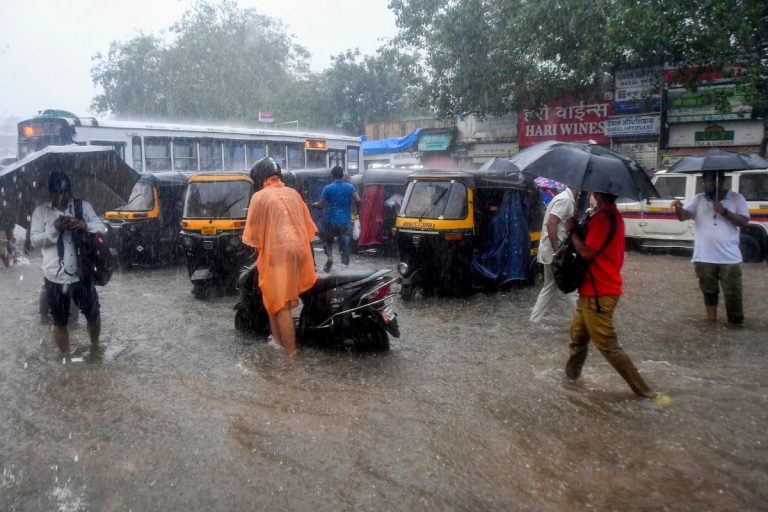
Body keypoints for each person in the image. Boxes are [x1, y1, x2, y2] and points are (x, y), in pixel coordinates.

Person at [563, 192, 656, 398]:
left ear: (597, 194)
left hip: (599, 292)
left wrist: (572, 232)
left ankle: (646, 392)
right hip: (591, 290)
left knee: (607, 345)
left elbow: (587, 252)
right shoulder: (610, 215)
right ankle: (571, 381)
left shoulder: (603, 219)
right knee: (577, 338)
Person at [242, 158, 318, 358]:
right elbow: (308, 224)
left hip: (278, 252)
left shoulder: (260, 196)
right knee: (272, 297)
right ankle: (276, 342)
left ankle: (292, 355)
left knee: (281, 303)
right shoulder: (293, 193)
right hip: (299, 250)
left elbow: (254, 231)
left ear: (260, 178)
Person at [30, 170, 107, 356]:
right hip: (55, 276)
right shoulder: (41, 212)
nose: (61, 197)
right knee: (59, 321)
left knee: (93, 314)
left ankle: (95, 347)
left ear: (69, 190)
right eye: (56, 192)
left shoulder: (83, 207)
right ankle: (66, 358)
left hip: (83, 272)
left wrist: (84, 225)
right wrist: (54, 229)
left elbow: (102, 228)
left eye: (64, 192)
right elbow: (35, 241)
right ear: (50, 192)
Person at [672, 171, 749, 324]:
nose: (706, 184)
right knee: (709, 292)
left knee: (733, 293)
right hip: (704, 256)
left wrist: (725, 212)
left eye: (710, 181)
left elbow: (744, 222)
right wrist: (678, 208)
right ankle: (711, 322)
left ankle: (735, 324)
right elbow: (683, 217)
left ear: (721, 181)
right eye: (705, 181)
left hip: (730, 257)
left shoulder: (736, 198)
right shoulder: (699, 199)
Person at [529, 187, 579, 324]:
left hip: (551, 251)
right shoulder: (565, 200)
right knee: (570, 288)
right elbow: (551, 223)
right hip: (555, 253)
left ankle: (534, 320)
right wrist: (556, 252)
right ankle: (585, 323)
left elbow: (559, 225)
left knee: (549, 287)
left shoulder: (565, 199)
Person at [312, 165, 360, 272]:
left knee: (327, 240)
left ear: (332, 176)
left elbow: (321, 204)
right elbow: (358, 199)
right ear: (342, 175)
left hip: (331, 221)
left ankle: (330, 257)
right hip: (345, 221)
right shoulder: (350, 187)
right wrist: (357, 211)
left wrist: (315, 204)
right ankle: (344, 266)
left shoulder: (328, 188)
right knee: (345, 243)